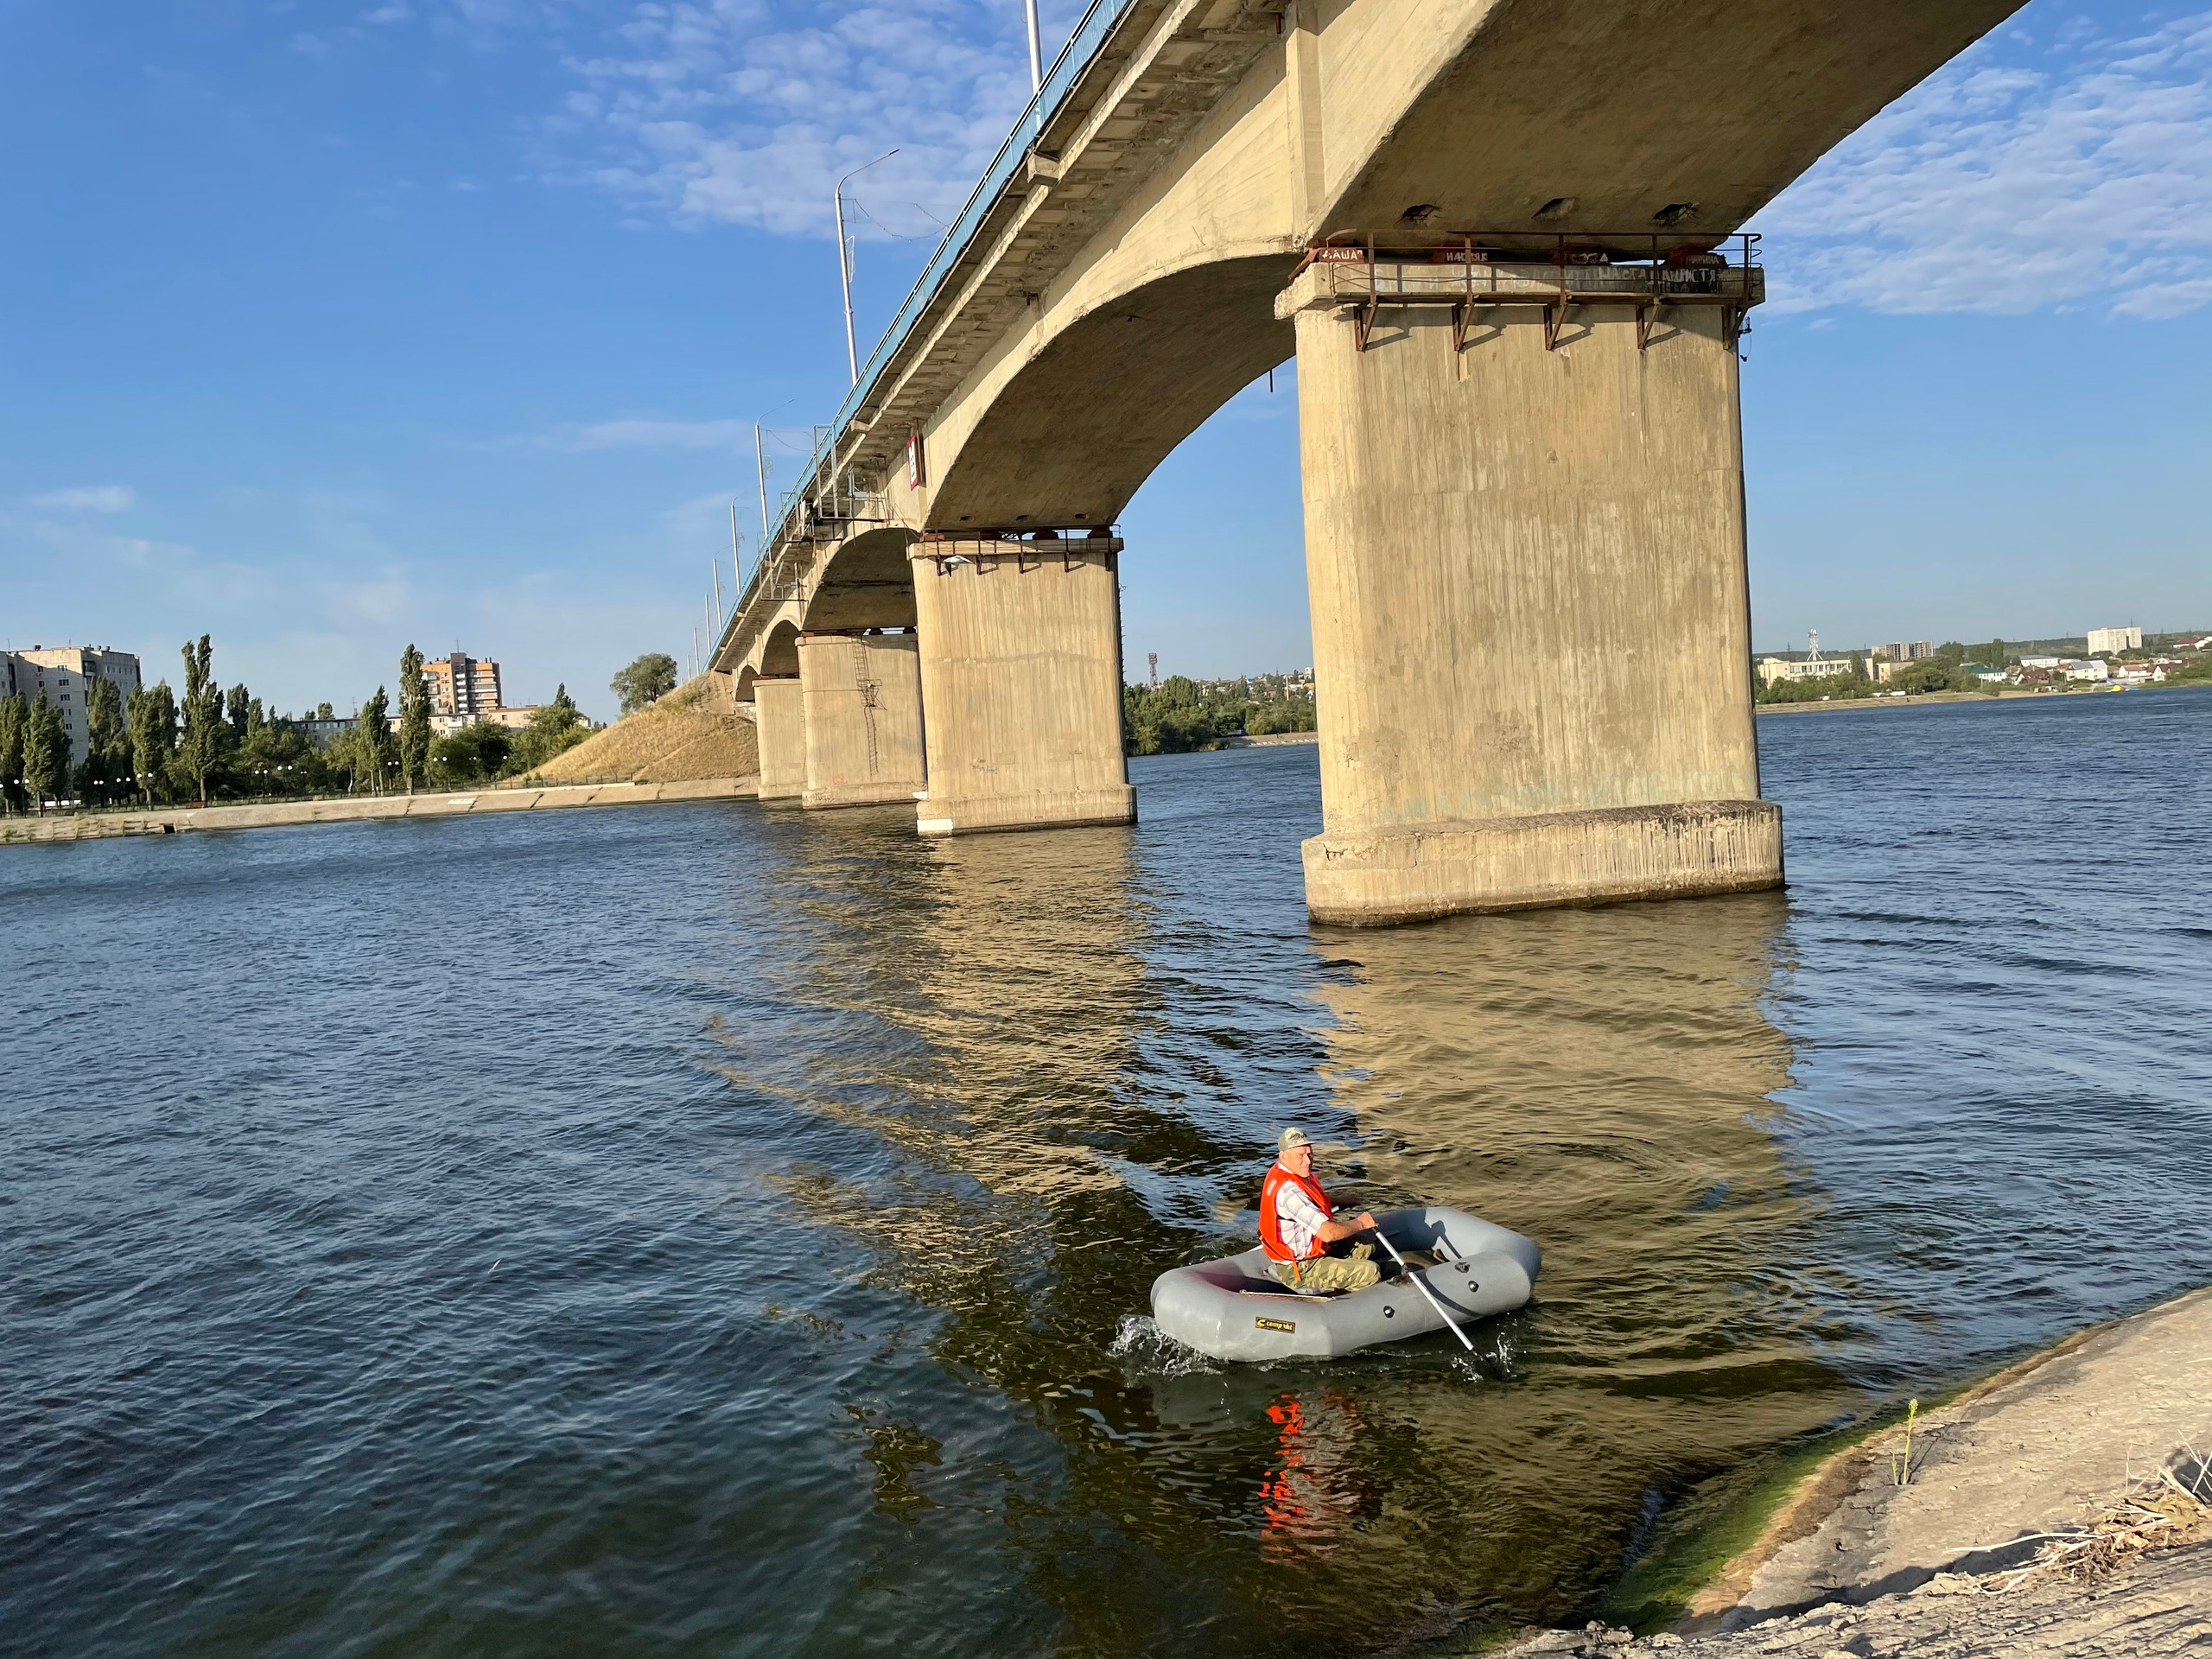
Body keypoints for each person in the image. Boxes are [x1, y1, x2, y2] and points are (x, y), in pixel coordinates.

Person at [1258, 1128, 1381, 1292]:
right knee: (1371, 1272)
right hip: (1301, 1268)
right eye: (1300, 1156)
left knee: (1366, 1246)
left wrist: (1341, 1201)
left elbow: (1311, 1203)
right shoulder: (1289, 1193)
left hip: (1314, 1250)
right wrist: (1361, 1223)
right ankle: (1342, 1300)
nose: (1308, 1161)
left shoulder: (1288, 1173)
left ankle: (1341, 1278)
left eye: (1309, 1154)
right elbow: (1328, 1233)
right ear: (1283, 1156)